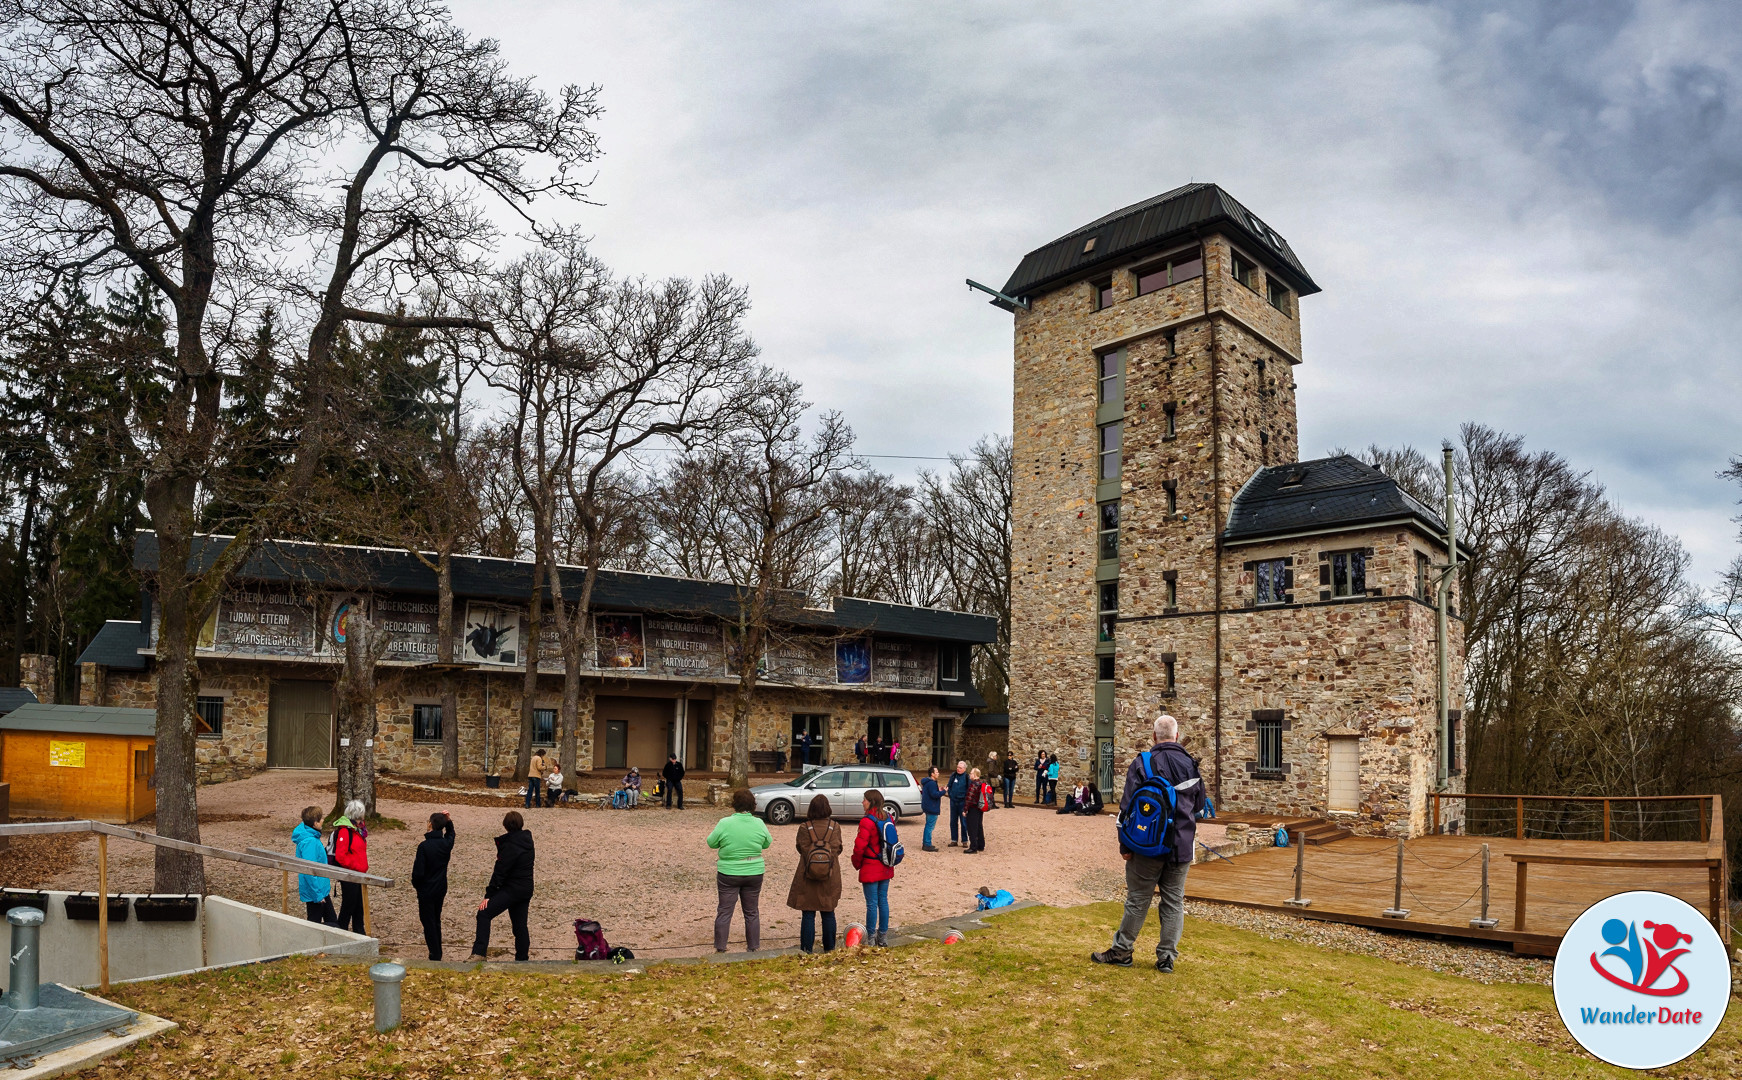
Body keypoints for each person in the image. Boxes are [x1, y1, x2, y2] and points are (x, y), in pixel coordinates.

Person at [1092, 714, 1203, 973]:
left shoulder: (1143, 762)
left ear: (1154, 736)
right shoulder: (1190, 764)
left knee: (1137, 899)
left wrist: (1125, 845)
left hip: (1147, 844)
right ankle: (1166, 958)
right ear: (1177, 736)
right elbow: (1199, 806)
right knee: (1174, 901)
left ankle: (1122, 951)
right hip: (1181, 846)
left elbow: (1128, 807)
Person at [707, 788, 773, 952]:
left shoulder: (725, 823)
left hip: (729, 871)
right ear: (752, 805)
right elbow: (767, 843)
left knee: (724, 911)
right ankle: (753, 947)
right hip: (754, 870)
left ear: (734, 805)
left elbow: (711, 842)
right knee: (751, 911)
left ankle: (721, 947)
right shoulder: (758, 823)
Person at [469, 810, 535, 962]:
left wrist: (489, 895)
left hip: (513, 889)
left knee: (484, 913)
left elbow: (500, 872)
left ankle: (479, 953)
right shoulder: (527, 841)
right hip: (525, 887)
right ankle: (522, 959)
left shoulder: (510, 845)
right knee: (520, 926)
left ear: (505, 825)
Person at [786, 794, 843, 953]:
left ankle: (806, 949)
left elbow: (801, 848)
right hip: (829, 875)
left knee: (808, 913)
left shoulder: (804, 827)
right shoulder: (835, 827)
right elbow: (837, 849)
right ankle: (830, 948)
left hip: (808, 875)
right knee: (828, 911)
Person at [850, 789, 894, 947]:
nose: (862, 802)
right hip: (885, 864)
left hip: (870, 864)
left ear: (871, 802)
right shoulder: (888, 817)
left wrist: (856, 862)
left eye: (865, 800)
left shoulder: (867, 821)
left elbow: (859, 846)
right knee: (883, 901)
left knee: (871, 903)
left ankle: (870, 937)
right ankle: (883, 936)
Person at [411, 811, 454, 960]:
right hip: (440, 887)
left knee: (428, 921)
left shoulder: (424, 847)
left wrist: (417, 886)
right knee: (435, 919)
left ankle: (435, 953)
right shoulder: (446, 844)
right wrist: (448, 821)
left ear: (430, 824)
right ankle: (437, 951)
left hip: (426, 890)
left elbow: (418, 873)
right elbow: (451, 835)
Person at [329, 799, 369, 934]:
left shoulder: (359, 830)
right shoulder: (345, 832)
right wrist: (355, 866)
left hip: (359, 874)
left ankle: (359, 931)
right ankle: (342, 930)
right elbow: (341, 856)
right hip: (350, 874)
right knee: (349, 904)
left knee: (359, 905)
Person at [293, 806, 337, 926]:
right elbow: (309, 869)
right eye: (320, 819)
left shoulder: (311, 837)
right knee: (317, 924)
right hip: (316, 892)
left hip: (320, 889)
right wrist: (317, 895)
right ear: (315, 823)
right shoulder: (310, 842)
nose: (323, 820)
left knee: (331, 921)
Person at [962, 767, 991, 854]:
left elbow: (969, 798)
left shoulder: (973, 785)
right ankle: (981, 845)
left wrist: (965, 809)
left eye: (971, 773)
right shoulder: (981, 783)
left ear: (974, 775)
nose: (970, 774)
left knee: (972, 828)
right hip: (979, 808)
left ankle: (973, 847)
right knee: (979, 826)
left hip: (973, 808)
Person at [919, 765, 944, 851]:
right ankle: (927, 844)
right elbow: (934, 795)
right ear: (932, 774)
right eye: (936, 772)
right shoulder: (932, 783)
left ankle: (926, 843)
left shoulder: (928, 782)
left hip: (928, 806)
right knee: (929, 826)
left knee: (928, 825)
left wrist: (938, 790)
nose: (938, 773)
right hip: (932, 807)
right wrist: (944, 791)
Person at [945, 760, 969, 847]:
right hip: (953, 801)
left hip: (962, 802)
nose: (958, 769)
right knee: (953, 821)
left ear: (964, 769)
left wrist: (966, 800)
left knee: (963, 822)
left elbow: (969, 789)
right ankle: (954, 840)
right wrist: (950, 795)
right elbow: (949, 785)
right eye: (958, 767)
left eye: (960, 768)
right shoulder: (953, 775)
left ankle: (964, 840)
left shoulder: (966, 777)